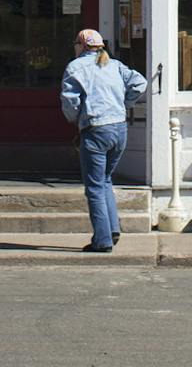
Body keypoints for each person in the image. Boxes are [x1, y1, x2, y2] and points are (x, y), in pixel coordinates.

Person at [60, 27, 148, 252]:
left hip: (96, 129)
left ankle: (102, 240)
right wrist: (124, 104)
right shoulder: (115, 65)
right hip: (119, 129)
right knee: (105, 180)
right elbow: (140, 83)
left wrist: (76, 119)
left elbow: (70, 103)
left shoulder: (75, 67)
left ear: (81, 45)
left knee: (95, 187)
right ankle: (112, 228)